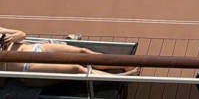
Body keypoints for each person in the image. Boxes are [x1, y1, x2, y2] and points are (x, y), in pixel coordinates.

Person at [0, 26, 138, 77]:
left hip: (37, 48)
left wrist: (17, 36)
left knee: (83, 52)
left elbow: (22, 34)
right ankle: (120, 77)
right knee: (77, 68)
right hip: (26, 66)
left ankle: (121, 64)